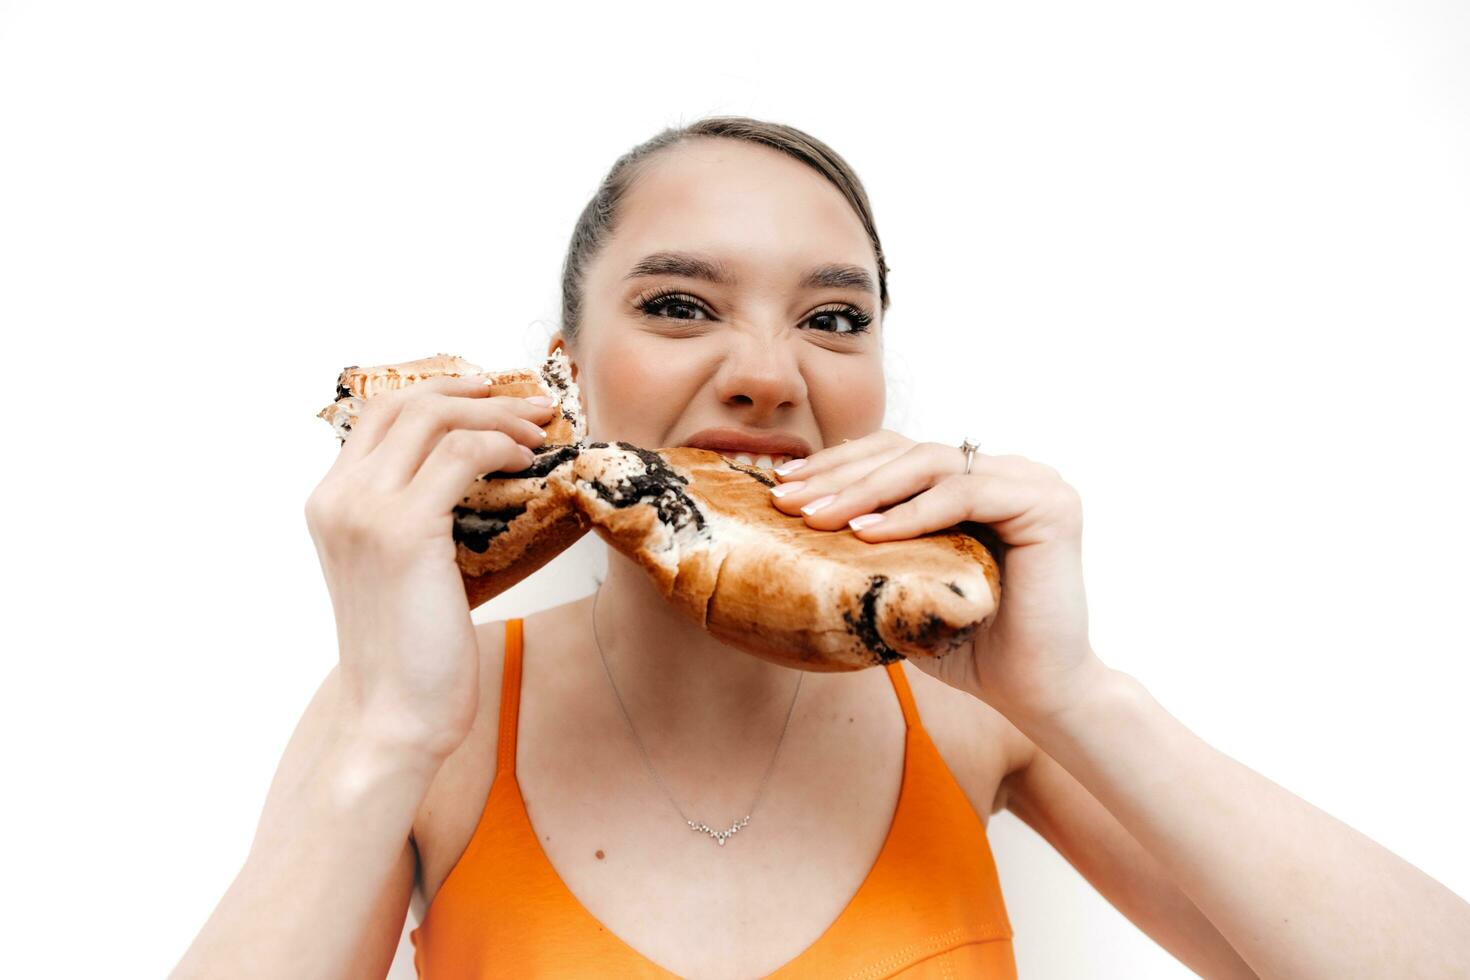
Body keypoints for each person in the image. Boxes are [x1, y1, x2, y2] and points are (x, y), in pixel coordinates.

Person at [171, 116, 1470, 979]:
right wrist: (392, 723)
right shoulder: (413, 717)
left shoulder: (983, 718)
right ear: (561, 374)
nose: (767, 376)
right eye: (680, 304)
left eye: (833, 318)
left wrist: (1074, 693)